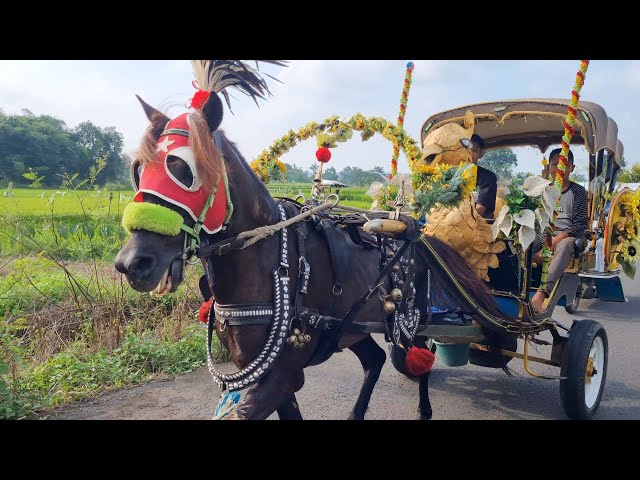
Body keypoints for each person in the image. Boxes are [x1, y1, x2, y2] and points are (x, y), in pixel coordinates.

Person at [531, 148, 588, 313]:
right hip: (544, 234)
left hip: (567, 237)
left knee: (564, 246)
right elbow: (538, 220)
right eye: (555, 164)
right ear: (549, 167)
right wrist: (543, 242)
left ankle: (541, 295)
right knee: (523, 242)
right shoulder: (543, 190)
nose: (559, 168)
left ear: (572, 167)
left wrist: (556, 240)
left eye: (565, 164)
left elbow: (579, 224)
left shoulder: (578, 192)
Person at [470, 134, 497, 220]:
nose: (468, 153)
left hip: (479, 224)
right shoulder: (449, 175)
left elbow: (479, 210)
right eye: (465, 150)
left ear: (480, 154)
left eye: (473, 150)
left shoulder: (488, 177)